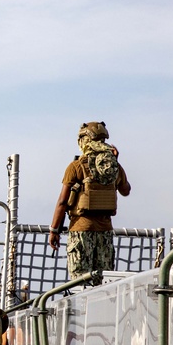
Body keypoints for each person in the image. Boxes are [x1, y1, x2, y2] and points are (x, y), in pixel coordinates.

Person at [49, 121, 130, 284]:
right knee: (104, 284)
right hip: (105, 233)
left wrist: (54, 231)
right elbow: (125, 190)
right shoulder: (113, 167)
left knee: (79, 282)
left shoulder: (76, 167)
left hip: (80, 231)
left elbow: (62, 202)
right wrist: (114, 164)